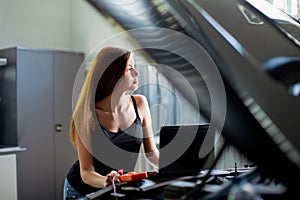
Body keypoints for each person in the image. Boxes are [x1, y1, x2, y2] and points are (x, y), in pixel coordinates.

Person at [63, 46, 159, 199]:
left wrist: (173, 167)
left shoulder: (140, 104)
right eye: (130, 69)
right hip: (83, 190)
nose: (136, 73)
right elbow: (86, 172)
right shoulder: (87, 113)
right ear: (113, 75)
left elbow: (151, 153)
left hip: (118, 189)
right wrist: (108, 181)